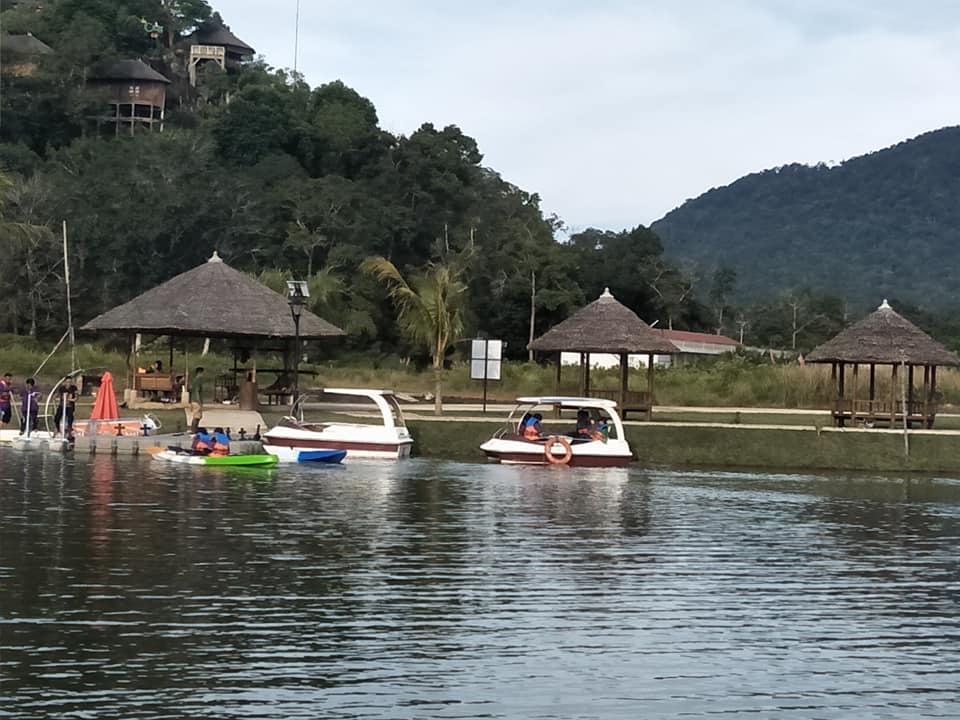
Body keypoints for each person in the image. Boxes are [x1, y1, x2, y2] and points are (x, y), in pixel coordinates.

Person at [189, 366, 205, 433]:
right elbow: (196, 391)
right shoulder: (198, 380)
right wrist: (199, 401)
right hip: (196, 401)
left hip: (193, 400)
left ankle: (194, 430)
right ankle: (193, 430)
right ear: (200, 372)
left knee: (197, 416)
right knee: (196, 416)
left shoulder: (194, 380)